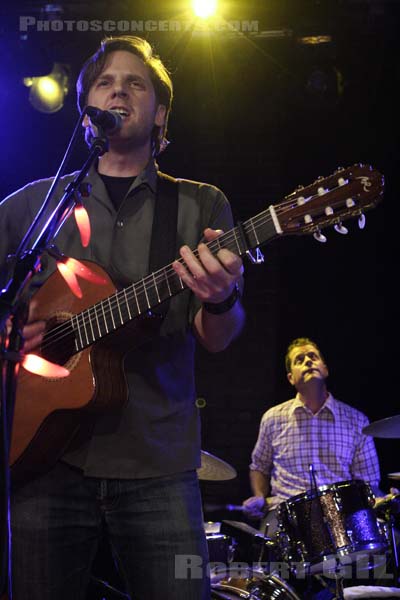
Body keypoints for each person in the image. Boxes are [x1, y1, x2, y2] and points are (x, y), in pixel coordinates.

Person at [0, 36, 245, 599]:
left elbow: (218, 338)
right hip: (41, 459)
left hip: (156, 462)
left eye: (136, 83)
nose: (119, 90)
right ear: (86, 110)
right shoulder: (32, 208)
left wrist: (221, 297)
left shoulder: (200, 205)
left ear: (160, 112)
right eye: (106, 83)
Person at [243, 337, 384, 534]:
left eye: (313, 356)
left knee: (382, 541)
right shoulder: (273, 418)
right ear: (291, 378)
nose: (308, 361)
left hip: (341, 512)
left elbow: (368, 482)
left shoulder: (357, 420)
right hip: (285, 510)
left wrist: (382, 500)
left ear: (325, 369)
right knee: (271, 541)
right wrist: (259, 495)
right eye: (299, 360)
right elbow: (259, 467)